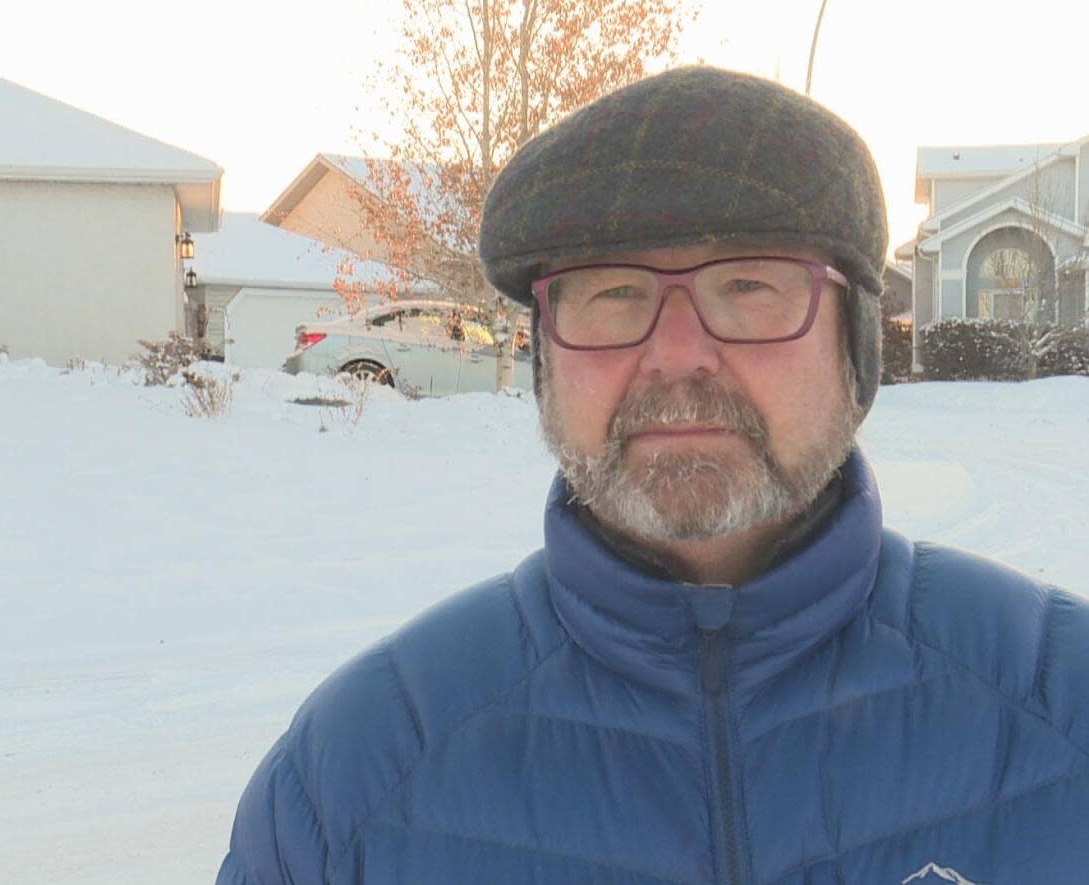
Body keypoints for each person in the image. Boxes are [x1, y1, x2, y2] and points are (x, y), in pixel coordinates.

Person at [217, 68, 1089, 885]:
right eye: (613, 293)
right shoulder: (349, 783)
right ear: (546, 359)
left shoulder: (1068, 707)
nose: (678, 355)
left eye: (749, 285)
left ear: (855, 351)